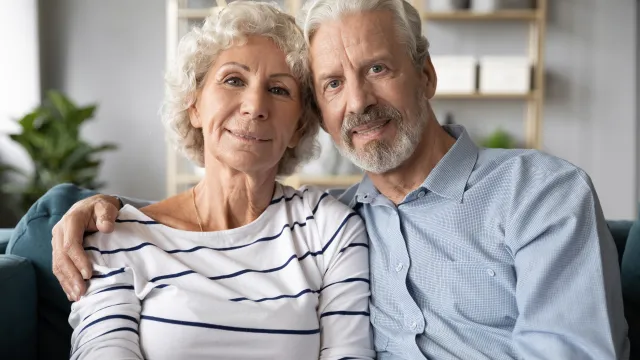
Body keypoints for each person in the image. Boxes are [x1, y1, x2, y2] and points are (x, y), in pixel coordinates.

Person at [53, 0, 629, 359]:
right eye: (331, 84)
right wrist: (99, 210)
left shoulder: (539, 194)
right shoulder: (346, 216)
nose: (358, 102)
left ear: (425, 75)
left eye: (378, 69)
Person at [61, 2, 374, 359]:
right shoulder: (117, 237)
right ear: (194, 105)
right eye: (233, 80)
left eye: (279, 90)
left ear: (298, 128)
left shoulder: (328, 229)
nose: (254, 105)